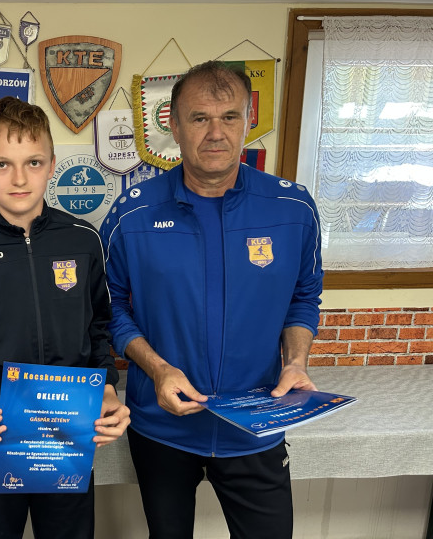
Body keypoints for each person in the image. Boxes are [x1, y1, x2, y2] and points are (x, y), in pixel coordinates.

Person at [101, 61, 323, 539]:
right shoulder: (132, 213)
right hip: (162, 428)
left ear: (249, 121)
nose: (216, 132)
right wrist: (158, 369)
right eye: (200, 118)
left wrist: (295, 362)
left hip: (256, 426)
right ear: (175, 127)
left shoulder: (293, 208)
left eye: (230, 117)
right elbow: (109, 307)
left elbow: (304, 296)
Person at [0, 96, 130, 539]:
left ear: (52, 165)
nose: (19, 179)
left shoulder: (83, 240)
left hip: (67, 435)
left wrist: (107, 388)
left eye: (33, 162)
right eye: (2, 164)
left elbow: (98, 329)